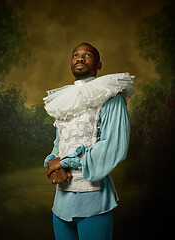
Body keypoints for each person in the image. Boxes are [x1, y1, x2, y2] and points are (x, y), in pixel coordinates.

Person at [43, 43, 135, 240]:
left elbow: (114, 147)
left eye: (88, 55)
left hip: (94, 202)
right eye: (75, 55)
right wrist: (53, 165)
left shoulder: (112, 99)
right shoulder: (65, 100)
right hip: (61, 203)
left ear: (99, 64)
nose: (80, 58)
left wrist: (64, 162)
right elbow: (58, 143)